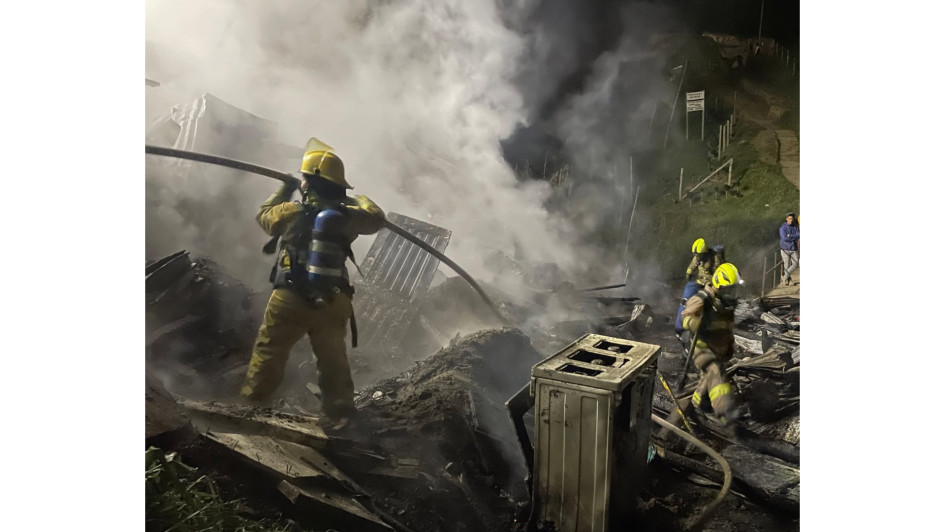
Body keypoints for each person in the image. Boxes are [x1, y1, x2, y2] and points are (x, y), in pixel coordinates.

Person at [240, 140, 386, 426]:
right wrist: (360, 200)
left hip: (292, 295)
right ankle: (340, 411)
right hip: (335, 298)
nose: (302, 181)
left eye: (305, 177)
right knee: (332, 356)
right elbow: (377, 219)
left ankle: (251, 408)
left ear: (311, 182)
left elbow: (264, 216)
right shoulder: (349, 217)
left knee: (270, 352)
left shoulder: (292, 212)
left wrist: (284, 187)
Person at [679, 263, 745, 425]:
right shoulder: (703, 299)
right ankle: (725, 414)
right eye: (730, 289)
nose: (733, 293)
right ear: (720, 286)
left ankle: (697, 403)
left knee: (709, 377)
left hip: (718, 349)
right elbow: (685, 317)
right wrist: (694, 322)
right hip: (702, 348)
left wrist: (729, 347)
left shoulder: (724, 305)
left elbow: (727, 329)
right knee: (715, 372)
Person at [779, 212, 800, 286]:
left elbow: (799, 235)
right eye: (790, 218)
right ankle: (789, 280)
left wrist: (789, 236)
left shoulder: (795, 227)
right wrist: (793, 237)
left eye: (792, 218)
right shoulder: (782, 228)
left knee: (796, 263)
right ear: (786, 219)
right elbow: (784, 238)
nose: (791, 220)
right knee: (786, 265)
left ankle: (784, 277)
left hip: (793, 248)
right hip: (785, 248)